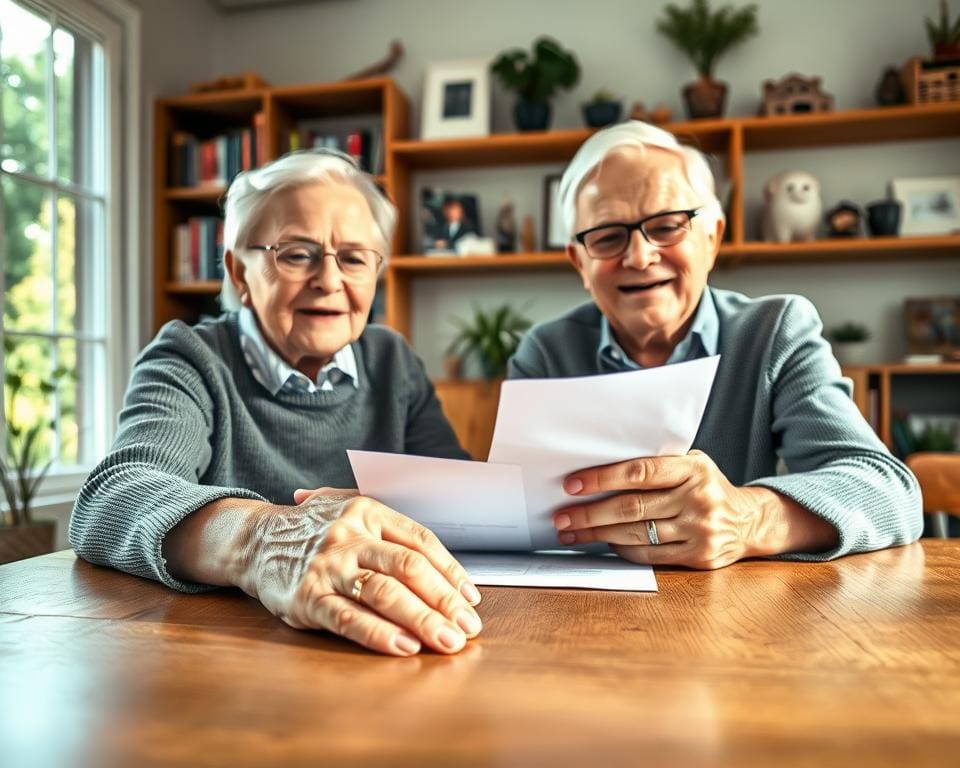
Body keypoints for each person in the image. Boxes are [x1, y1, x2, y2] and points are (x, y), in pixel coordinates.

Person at [70, 149, 482, 656]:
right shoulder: (190, 356)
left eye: (354, 258)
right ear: (239, 273)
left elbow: (460, 498)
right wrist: (264, 539)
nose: (329, 280)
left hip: (384, 635)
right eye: (296, 253)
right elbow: (111, 499)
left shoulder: (392, 360)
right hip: (222, 649)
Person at [508, 121, 922, 569]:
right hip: (580, 603)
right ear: (579, 264)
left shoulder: (775, 331)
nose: (640, 257)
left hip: (737, 605)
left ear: (712, 237)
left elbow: (889, 492)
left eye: (667, 226)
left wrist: (748, 518)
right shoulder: (545, 353)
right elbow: (514, 514)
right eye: (608, 237)